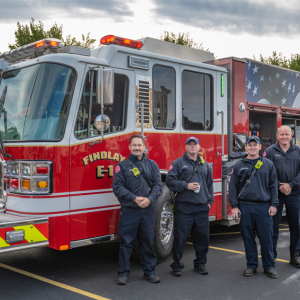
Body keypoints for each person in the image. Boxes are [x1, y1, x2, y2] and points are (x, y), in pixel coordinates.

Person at [112, 134, 163, 285]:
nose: (137, 148)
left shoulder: (152, 165)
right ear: (129, 147)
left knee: (148, 242)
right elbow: (117, 187)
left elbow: (158, 186)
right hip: (129, 211)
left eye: (139, 145)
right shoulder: (122, 166)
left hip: (147, 210)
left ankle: (150, 272)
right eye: (134, 145)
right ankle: (123, 274)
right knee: (126, 243)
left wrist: (149, 199)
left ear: (144, 147)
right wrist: (134, 198)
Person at [229, 136, 278, 278]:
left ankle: (269, 266)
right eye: (249, 145)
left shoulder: (268, 164)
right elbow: (233, 187)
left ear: (260, 147)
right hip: (245, 207)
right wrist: (234, 206)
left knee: (266, 238)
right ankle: (251, 265)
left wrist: (274, 204)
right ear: (245, 147)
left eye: (254, 145)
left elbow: (274, 186)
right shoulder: (239, 165)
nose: (252, 147)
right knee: (248, 238)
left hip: (264, 207)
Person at [166, 137, 214, 276]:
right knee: (180, 237)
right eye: (190, 144)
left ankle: (200, 264)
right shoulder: (178, 163)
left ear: (199, 147)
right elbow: (169, 181)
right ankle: (176, 266)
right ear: (185, 147)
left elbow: (209, 184)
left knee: (202, 238)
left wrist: (210, 201)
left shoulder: (205, 164)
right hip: (184, 207)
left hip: (201, 207)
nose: (193, 147)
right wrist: (186, 186)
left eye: (195, 144)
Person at [265, 125, 300, 268]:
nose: (284, 137)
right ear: (277, 135)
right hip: (275, 194)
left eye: (287, 134)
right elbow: (266, 171)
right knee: (272, 225)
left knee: (296, 225)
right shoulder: (269, 151)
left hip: (295, 193)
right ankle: (271, 255)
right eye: (282, 134)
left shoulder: (298, 151)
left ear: (291, 136)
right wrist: (280, 185)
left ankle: (295, 254)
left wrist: (291, 185)